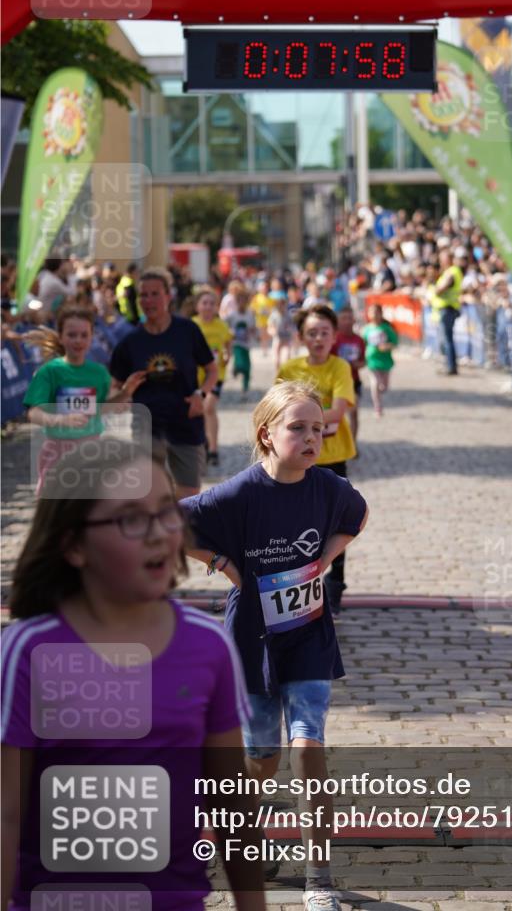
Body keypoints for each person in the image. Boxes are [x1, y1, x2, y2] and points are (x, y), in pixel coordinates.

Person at [1, 439, 265, 911]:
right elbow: (7, 814)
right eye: (131, 519)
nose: (159, 533)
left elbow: (232, 802)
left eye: (167, 511)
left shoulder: (208, 645)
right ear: (74, 545)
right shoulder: (28, 651)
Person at [181, 382, 368, 911]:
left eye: (318, 429)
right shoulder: (238, 493)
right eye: (298, 428)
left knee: (308, 747)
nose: (312, 438)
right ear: (266, 434)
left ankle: (319, 878)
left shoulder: (329, 487)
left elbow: (358, 515)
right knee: (260, 758)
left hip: (308, 635)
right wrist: (222, 564)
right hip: (252, 640)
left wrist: (326, 559)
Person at [276, 305, 358, 613]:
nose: (319, 338)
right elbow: (276, 411)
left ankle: (335, 581)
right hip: (296, 459)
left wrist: (300, 421)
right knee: (295, 522)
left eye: (324, 332)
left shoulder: (340, 367)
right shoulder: (289, 369)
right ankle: (295, 583)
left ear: (334, 336)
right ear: (301, 337)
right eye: (312, 333)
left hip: (333, 455)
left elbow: (339, 410)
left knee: (336, 520)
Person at [110, 268, 218, 500]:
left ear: (168, 296)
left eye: (155, 294)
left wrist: (201, 394)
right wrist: (124, 394)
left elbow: (212, 370)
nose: (148, 300)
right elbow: (114, 387)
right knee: (152, 493)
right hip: (147, 426)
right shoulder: (130, 342)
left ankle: (175, 522)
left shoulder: (187, 331)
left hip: (186, 423)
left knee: (189, 495)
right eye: (143, 295)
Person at [23, 304, 145, 492]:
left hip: (91, 451)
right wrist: (60, 420)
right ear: (61, 336)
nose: (78, 340)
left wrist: (125, 393)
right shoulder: (49, 372)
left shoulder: (99, 373)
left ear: (91, 337)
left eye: (84, 335)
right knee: (56, 507)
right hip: (58, 452)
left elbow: (100, 409)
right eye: (72, 335)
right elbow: (33, 413)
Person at [192, 286, 233, 467]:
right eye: (204, 303)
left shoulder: (221, 325)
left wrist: (228, 354)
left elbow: (228, 340)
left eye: (211, 303)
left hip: (216, 373)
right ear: (197, 306)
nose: (208, 307)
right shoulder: (192, 325)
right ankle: (204, 442)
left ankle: (213, 449)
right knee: (199, 409)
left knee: (208, 407)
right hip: (195, 375)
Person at [332, 306, 365, 442]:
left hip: (353, 381)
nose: (347, 321)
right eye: (343, 318)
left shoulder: (359, 340)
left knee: (353, 413)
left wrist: (358, 365)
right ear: (338, 321)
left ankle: (353, 443)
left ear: (354, 320)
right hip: (336, 382)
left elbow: (364, 361)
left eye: (350, 318)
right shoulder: (334, 339)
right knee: (337, 414)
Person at [433, 246, 467, 375]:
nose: (440, 261)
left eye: (442, 258)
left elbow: (441, 289)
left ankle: (451, 367)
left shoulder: (452, 272)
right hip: (447, 308)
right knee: (446, 339)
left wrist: (436, 290)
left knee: (447, 340)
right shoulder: (450, 271)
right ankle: (449, 365)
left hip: (448, 309)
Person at [361, 304, 398, 418]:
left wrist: (387, 346)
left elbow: (395, 342)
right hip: (372, 360)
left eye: (377, 312)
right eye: (372, 312)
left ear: (381, 314)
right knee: (375, 383)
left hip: (385, 361)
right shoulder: (366, 329)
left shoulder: (386, 328)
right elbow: (362, 344)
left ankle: (379, 394)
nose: (374, 315)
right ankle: (378, 408)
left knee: (384, 387)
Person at [226, 289, 256, 399]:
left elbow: (253, 327)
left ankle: (245, 389)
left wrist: (253, 332)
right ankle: (236, 368)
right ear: (237, 302)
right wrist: (230, 332)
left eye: (244, 301)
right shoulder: (232, 315)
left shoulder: (250, 314)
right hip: (237, 343)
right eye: (240, 301)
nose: (242, 303)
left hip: (247, 344)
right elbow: (224, 324)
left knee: (247, 368)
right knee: (240, 362)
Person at [267, 291, 295, 374]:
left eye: (283, 304)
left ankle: (285, 371)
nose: (281, 306)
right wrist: (272, 331)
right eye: (279, 305)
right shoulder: (274, 315)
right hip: (278, 338)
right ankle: (278, 372)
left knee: (286, 356)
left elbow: (293, 326)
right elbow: (270, 326)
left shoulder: (289, 315)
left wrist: (291, 330)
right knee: (276, 358)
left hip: (287, 338)